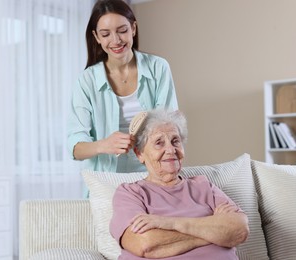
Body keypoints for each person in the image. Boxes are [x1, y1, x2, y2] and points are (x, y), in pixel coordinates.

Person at [110, 109, 249, 259]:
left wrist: (169, 223)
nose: (170, 150)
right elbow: (146, 244)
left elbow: (239, 230)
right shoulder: (131, 193)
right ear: (140, 154)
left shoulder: (203, 186)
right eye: (159, 143)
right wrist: (214, 232)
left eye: (175, 141)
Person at [67, 0, 178, 174]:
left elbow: (170, 125)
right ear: (96, 37)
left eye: (122, 31)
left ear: (133, 29)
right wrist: (103, 145)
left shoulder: (158, 68)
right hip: (107, 181)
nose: (116, 40)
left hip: (154, 176)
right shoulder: (86, 81)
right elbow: (75, 148)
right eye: (105, 34)